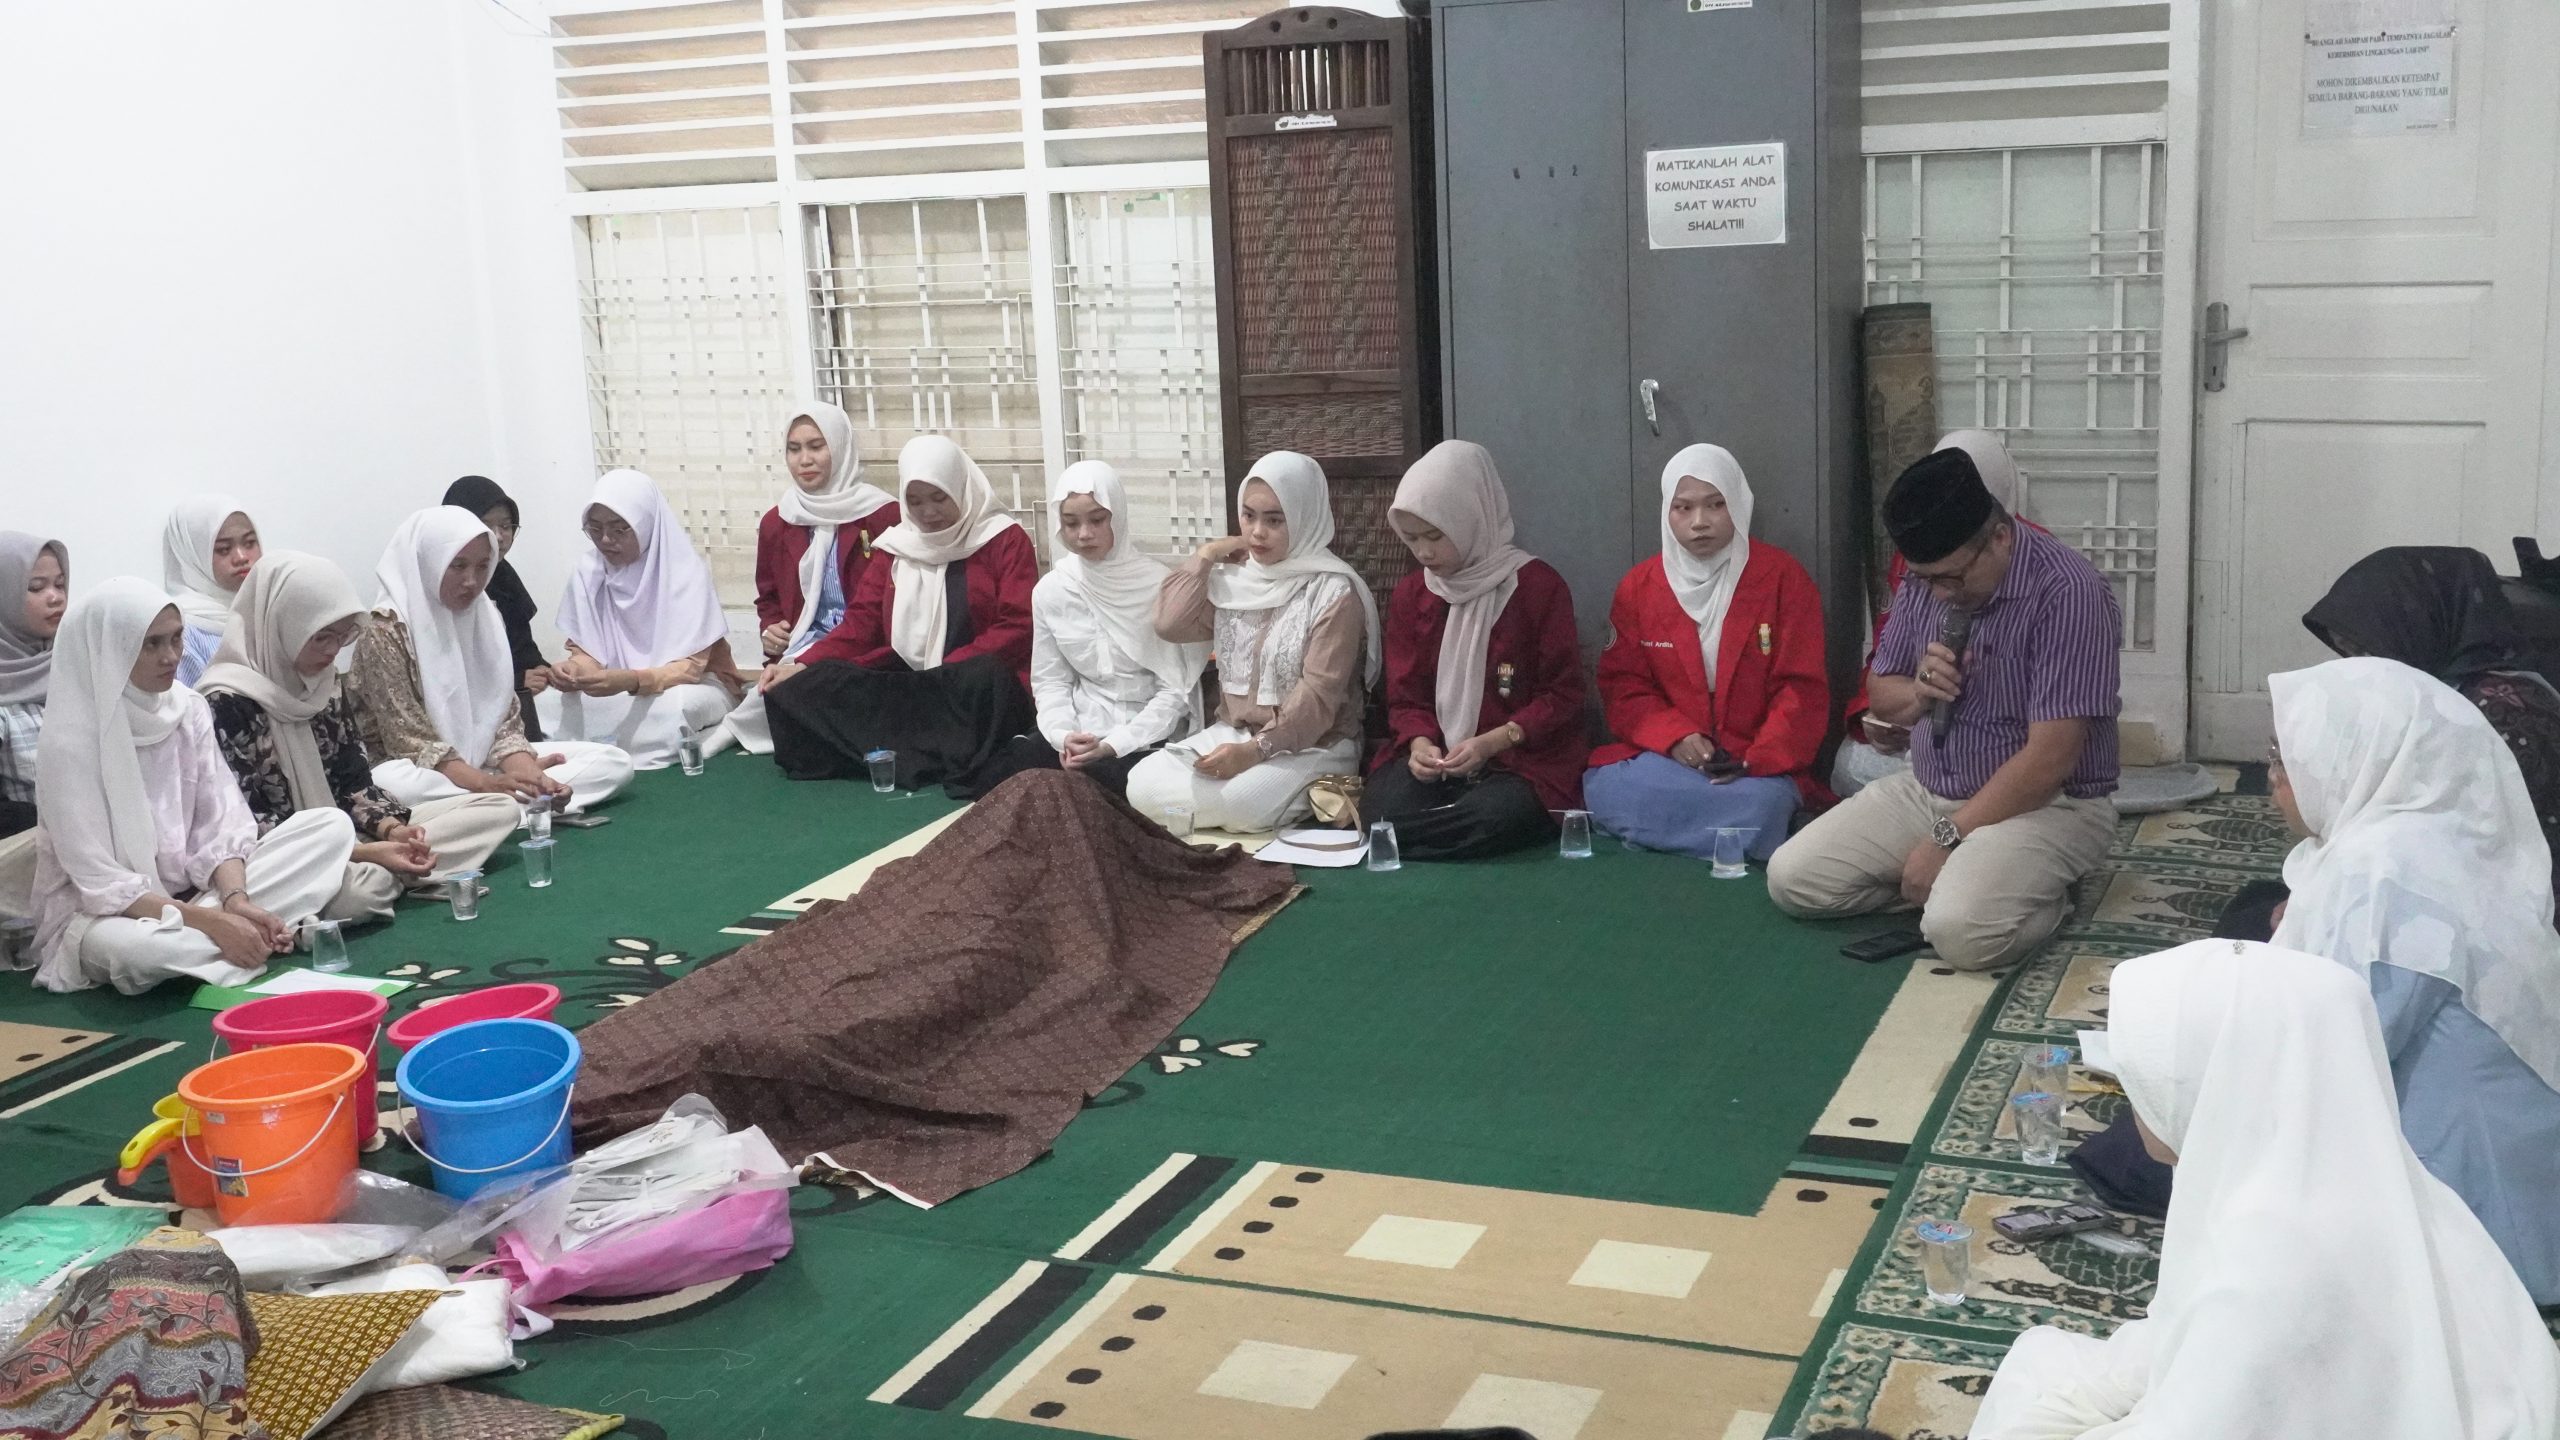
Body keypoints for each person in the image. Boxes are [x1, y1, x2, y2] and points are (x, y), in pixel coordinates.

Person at [1969, 940, 2560, 1440]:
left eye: (2141, 1081)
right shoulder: (2371, 1175)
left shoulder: (2268, 1262)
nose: (2134, 1103)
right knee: (2046, 1362)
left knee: (2028, 1399)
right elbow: (2189, 1343)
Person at [1765, 445, 2120, 970]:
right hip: (1929, 790)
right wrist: (1919, 693)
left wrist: (1946, 839)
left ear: (1999, 537)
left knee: (1960, 937)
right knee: (1793, 880)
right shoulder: (1928, 580)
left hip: (2047, 807)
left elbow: (2050, 761)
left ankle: (2037, 896)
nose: (1938, 594)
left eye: (1951, 578)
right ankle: (1960, 889)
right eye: (1924, 578)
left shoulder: (2069, 592)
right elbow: (1882, 690)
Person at [29, 579, 357, 995]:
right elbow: (100, 884)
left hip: (201, 894)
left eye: (176, 638)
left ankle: (237, 934)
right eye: (151, 644)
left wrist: (236, 900)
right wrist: (212, 922)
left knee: (329, 827)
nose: (172, 656)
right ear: (109, 649)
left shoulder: (188, 708)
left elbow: (221, 823)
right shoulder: (69, 742)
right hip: (109, 917)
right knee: (140, 952)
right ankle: (244, 937)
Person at [201, 552, 518, 924]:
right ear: (280, 626)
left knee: (500, 809)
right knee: (360, 895)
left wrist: (394, 830)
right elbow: (255, 825)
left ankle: (398, 868)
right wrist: (363, 853)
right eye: (320, 637)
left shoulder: (326, 684)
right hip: (289, 857)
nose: (332, 651)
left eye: (341, 637)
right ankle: (398, 873)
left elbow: (354, 783)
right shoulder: (225, 702)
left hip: (354, 839)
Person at [1582, 444, 1824, 862]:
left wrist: (1755, 759)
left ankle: (1665, 833)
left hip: (1752, 768)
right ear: (1667, 512)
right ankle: (1736, 839)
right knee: (1606, 786)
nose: (1699, 522)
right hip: (1669, 761)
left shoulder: (1782, 578)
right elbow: (1624, 687)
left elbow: (1800, 691)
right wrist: (1674, 737)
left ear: (1738, 504)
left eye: (1716, 505)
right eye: (1683, 508)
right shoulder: (1639, 587)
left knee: (1764, 804)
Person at [761, 436, 1040, 795]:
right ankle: (923, 752)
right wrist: (802, 663)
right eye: (915, 501)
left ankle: (908, 751)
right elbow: (862, 623)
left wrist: (947, 671)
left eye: (939, 497)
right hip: (911, 682)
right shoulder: (896, 546)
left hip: (970, 686)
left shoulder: (1003, 539)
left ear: (960, 487)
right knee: (798, 688)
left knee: (983, 675)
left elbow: (1018, 626)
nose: (928, 512)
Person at [1125, 451, 1380, 833]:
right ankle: (1222, 814)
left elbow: (1318, 697)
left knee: (1242, 803)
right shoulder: (1235, 582)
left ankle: (1214, 814)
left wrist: (1254, 752)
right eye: (1248, 516)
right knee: (1139, 785)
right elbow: (1169, 624)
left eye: (1274, 520)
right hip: (1235, 734)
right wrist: (1208, 555)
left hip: (1315, 744)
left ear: (1304, 517)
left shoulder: (1332, 592)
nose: (1257, 532)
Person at [1365, 440, 1586, 860]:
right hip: (1441, 761)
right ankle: (1440, 834)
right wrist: (1420, 746)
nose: (1424, 552)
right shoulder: (1413, 594)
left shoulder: (1538, 587)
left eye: (1436, 536)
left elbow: (1563, 695)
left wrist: (1492, 743)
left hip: (1518, 759)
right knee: (1380, 810)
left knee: (1497, 814)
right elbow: (1406, 696)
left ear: (1472, 517)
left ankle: (1422, 838)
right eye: (1412, 538)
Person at [350, 506, 632, 816]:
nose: (472, 581)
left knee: (612, 762)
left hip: (486, 765)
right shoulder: (385, 632)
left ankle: (508, 804)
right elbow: (408, 740)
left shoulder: (486, 616)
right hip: (424, 770)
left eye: (483, 566)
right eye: (458, 566)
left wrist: (530, 775)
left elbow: (503, 720)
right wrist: (485, 783)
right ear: (426, 561)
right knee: (393, 783)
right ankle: (507, 804)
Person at [978, 460, 1206, 796]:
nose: (1084, 534)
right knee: (998, 780)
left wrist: (1114, 744)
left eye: (1097, 520)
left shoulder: (1157, 585)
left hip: (1144, 737)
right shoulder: (1053, 590)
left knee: (1115, 790)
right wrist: (1063, 736)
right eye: (1071, 523)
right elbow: (1052, 681)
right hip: (1079, 734)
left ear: (1118, 516)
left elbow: (1175, 691)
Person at [1835, 429, 2042, 798]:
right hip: (1925, 742)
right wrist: (1893, 709)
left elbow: (2056, 733)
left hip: (2009, 755)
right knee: (1849, 764)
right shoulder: (1920, 556)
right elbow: (1886, 662)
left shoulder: (2045, 569)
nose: (1941, 591)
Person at [716, 401, 899, 756]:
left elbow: (885, 605)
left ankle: (742, 729)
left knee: (811, 685)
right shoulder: (779, 520)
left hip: (868, 643)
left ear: (840, 448)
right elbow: (768, 596)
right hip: (805, 640)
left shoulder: (881, 514)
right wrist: (770, 628)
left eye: (816, 446)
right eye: (794, 449)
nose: (805, 460)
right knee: (779, 687)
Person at [541, 470, 746, 767]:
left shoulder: (685, 574)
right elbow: (586, 651)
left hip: (687, 686)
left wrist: (632, 680)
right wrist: (574, 671)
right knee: (546, 702)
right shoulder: (589, 570)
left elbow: (690, 668)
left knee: (678, 707)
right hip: (617, 685)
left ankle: (611, 742)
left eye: (619, 529)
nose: (605, 540)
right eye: (595, 529)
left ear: (646, 524)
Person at [441, 475, 558, 743]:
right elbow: (447, 671)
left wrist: (547, 672)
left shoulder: (503, 576)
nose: (499, 536)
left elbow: (523, 649)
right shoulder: (442, 585)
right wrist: (515, 681)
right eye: (485, 525)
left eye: (506, 526)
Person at [0, 533, 66, 957]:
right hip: (26, 858)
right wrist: (63, 821)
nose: (55, 598)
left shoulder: (73, 666)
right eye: (36, 587)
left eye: (60, 584)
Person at [160, 494, 262, 686]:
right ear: (192, 555)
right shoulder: (182, 633)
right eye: (224, 549)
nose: (241, 557)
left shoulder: (267, 613)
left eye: (249, 543)